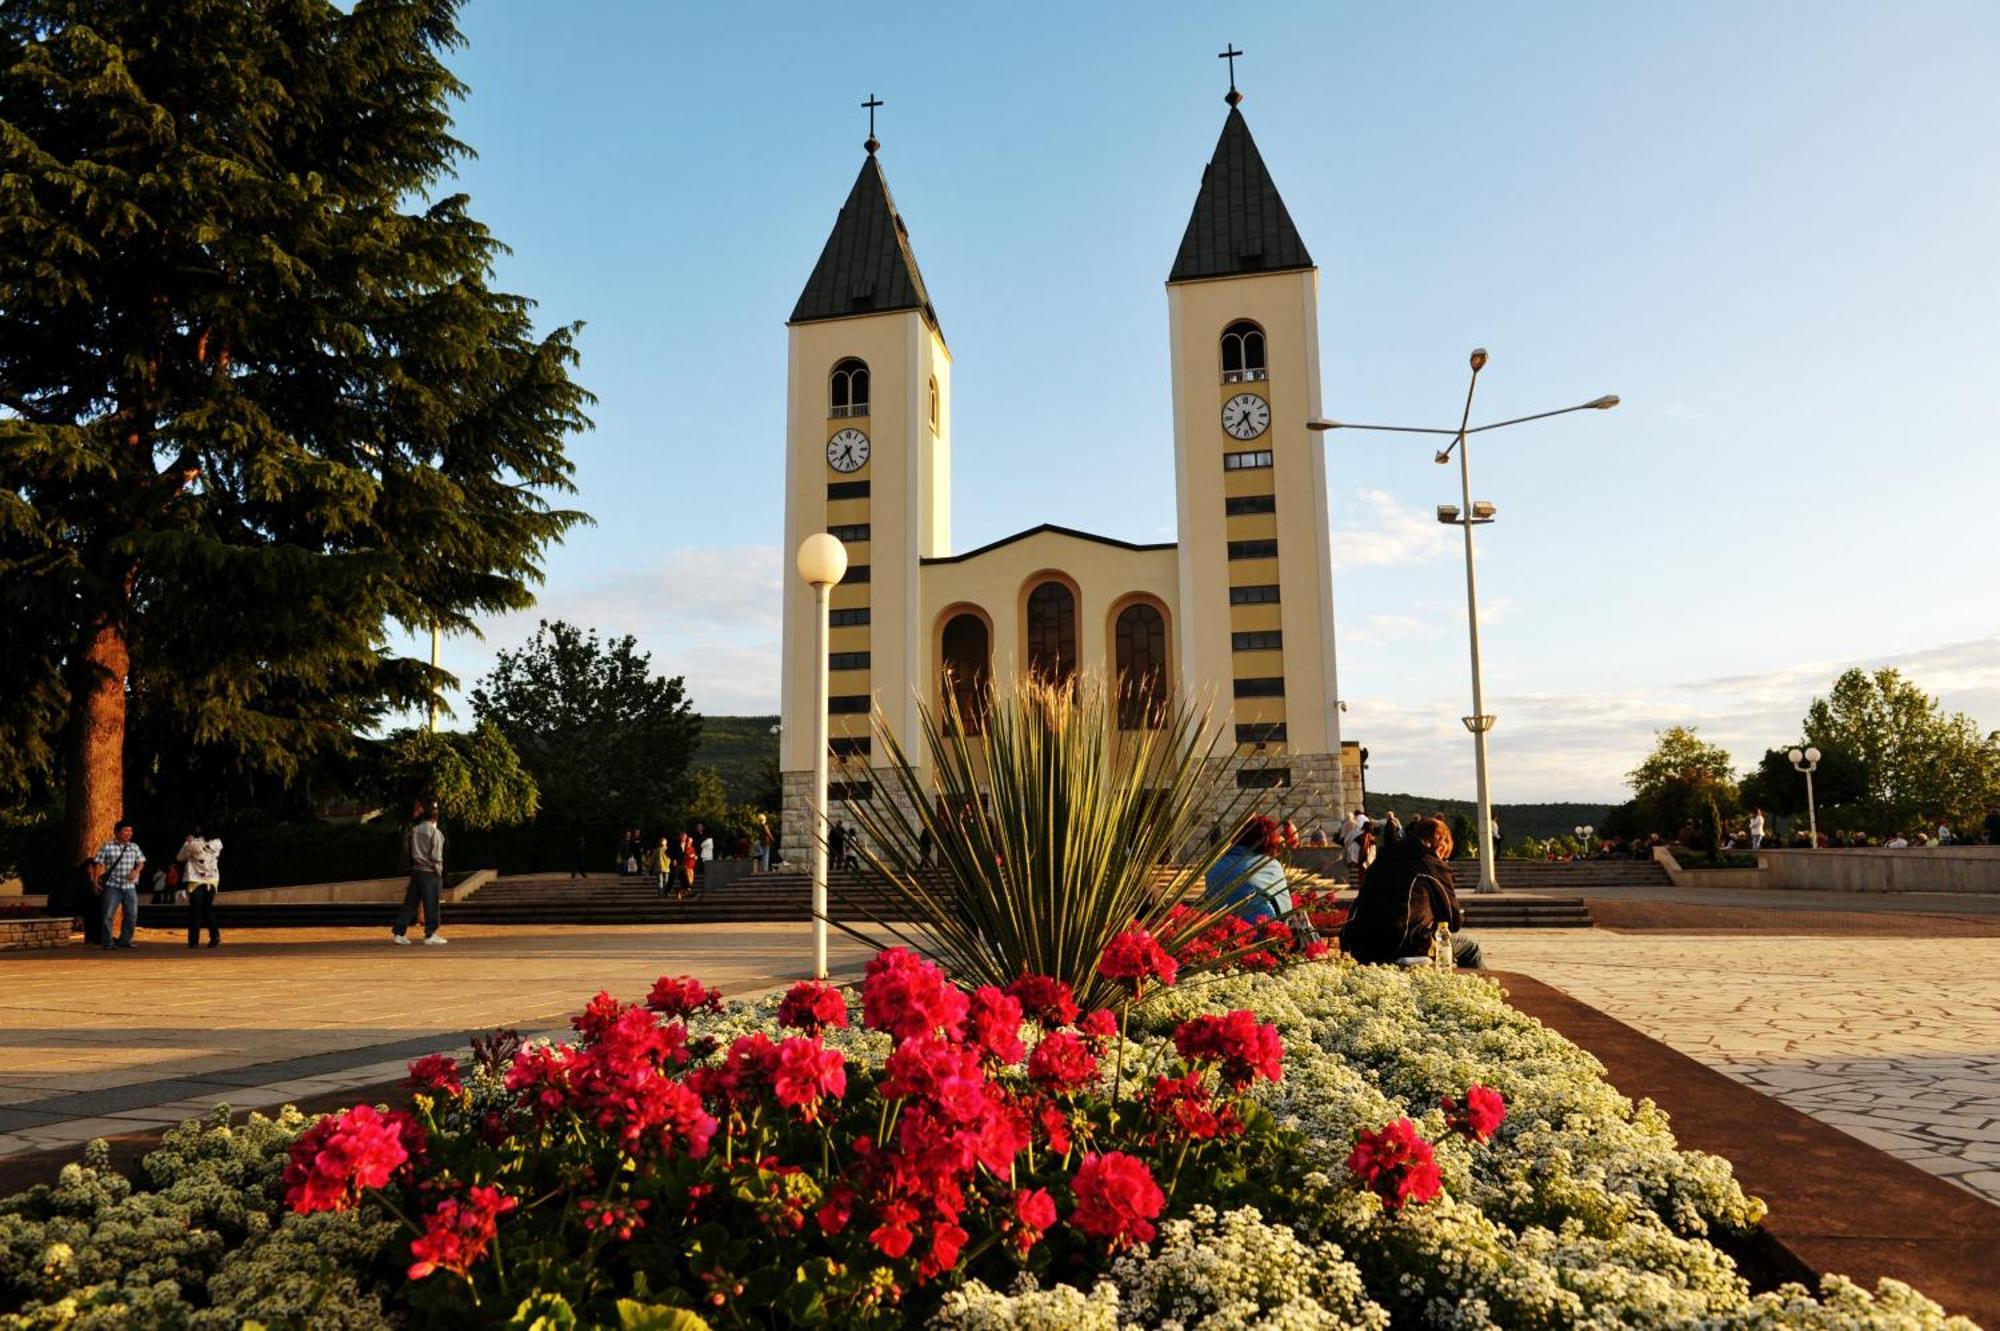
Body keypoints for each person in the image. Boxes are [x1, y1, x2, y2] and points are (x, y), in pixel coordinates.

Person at [1340, 816, 1483, 969]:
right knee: (1470, 946)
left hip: (1361, 945)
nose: (1442, 860)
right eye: (1444, 856)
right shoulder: (1430, 864)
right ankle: (1481, 989)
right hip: (1406, 947)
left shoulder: (1381, 860)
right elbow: (1453, 922)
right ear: (1440, 846)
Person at [1205, 815, 1293, 924]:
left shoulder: (1214, 866)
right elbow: (1286, 909)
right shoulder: (1270, 866)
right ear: (1268, 841)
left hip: (1219, 933)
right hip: (1263, 933)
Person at [392, 801, 447, 945]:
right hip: (430, 872)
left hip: (416, 870)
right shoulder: (436, 833)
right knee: (432, 904)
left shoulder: (415, 830)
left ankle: (399, 932)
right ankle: (430, 934)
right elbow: (436, 856)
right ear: (435, 817)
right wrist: (439, 871)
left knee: (410, 903)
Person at [93, 820, 146, 950]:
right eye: (125, 831)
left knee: (132, 914)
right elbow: (97, 864)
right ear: (116, 832)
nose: (129, 833)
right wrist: (95, 881)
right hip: (112, 885)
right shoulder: (107, 846)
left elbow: (141, 862)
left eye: (130, 831)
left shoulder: (134, 846)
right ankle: (108, 942)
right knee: (108, 915)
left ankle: (125, 940)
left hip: (129, 886)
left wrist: (135, 871)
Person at [177, 825, 223, 949]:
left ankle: (193, 942)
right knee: (207, 909)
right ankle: (215, 935)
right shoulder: (218, 843)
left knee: (195, 911)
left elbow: (180, 857)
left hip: (196, 880)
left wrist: (187, 842)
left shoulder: (194, 844)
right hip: (212, 879)